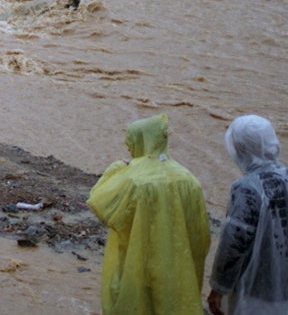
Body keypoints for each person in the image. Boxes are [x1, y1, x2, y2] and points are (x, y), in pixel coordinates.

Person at [89, 112, 209, 315]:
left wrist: (114, 169)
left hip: (138, 261)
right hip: (177, 264)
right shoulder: (189, 179)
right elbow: (200, 232)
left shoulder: (132, 179)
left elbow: (100, 204)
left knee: (140, 303)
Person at [209, 115, 288, 315]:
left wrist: (218, 288)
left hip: (259, 293)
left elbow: (233, 243)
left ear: (240, 149)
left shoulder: (247, 188)